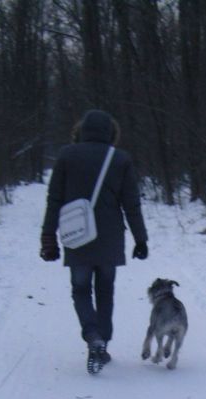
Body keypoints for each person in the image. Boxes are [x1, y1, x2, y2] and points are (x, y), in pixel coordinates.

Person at [40, 109, 149, 374]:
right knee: (105, 291)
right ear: (111, 132)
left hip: (77, 235)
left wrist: (48, 238)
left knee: (80, 290)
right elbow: (131, 204)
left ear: (81, 130)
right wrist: (140, 239)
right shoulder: (120, 158)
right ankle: (103, 343)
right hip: (110, 237)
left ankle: (93, 338)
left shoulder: (67, 155)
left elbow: (54, 199)